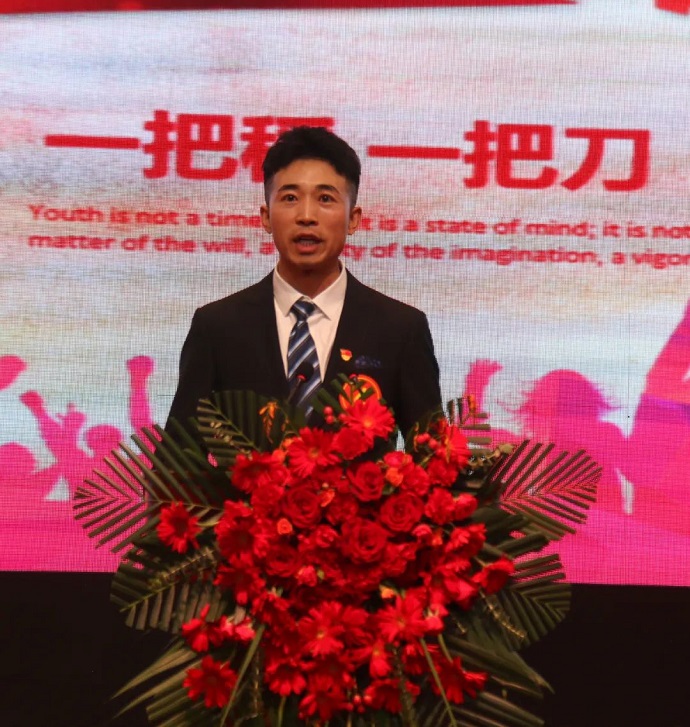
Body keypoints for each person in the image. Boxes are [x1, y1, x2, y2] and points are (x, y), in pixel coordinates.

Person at [166, 126, 441, 437]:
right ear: (266, 217)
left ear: (353, 219)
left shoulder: (401, 330)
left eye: (325, 198)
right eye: (290, 198)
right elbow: (179, 456)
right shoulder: (218, 327)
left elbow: (433, 456)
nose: (306, 215)